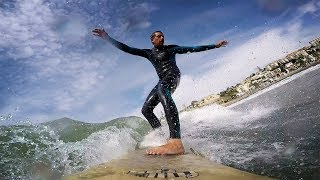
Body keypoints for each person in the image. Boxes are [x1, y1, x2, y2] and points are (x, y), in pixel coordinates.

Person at [92, 28, 228, 155]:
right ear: (152, 40)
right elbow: (128, 49)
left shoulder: (171, 49)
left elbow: (193, 48)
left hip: (173, 76)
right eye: (158, 36)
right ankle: (162, 137)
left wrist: (214, 46)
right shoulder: (148, 53)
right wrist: (108, 38)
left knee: (163, 91)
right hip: (162, 80)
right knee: (146, 109)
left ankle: (176, 142)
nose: (162, 38)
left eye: (162, 36)